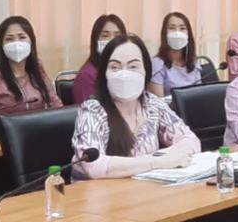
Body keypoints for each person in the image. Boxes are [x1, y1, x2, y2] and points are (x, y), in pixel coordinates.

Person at [70, 34, 201, 179]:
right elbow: (94, 165)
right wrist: (157, 161)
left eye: (133, 67)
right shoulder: (92, 110)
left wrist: (170, 155)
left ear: (146, 71)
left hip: (143, 188)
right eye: (115, 67)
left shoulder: (152, 104)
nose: (124, 74)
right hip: (99, 191)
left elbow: (191, 140)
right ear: (104, 74)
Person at [0, 16, 62, 122]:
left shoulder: (37, 68)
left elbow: (55, 103)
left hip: (40, 128)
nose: (16, 43)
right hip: (8, 131)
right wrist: (2, 127)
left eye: (22, 37)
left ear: (31, 41)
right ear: (1, 45)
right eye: (9, 39)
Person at [73, 14, 127, 105]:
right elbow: (89, 111)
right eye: (105, 36)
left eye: (117, 36)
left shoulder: (125, 71)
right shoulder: (87, 75)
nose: (112, 40)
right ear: (95, 40)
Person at [149, 11, 203, 96]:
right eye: (172, 28)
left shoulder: (194, 62)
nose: (177, 33)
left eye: (182, 28)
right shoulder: (158, 64)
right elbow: (158, 101)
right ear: (164, 33)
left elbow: (200, 94)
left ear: (188, 34)